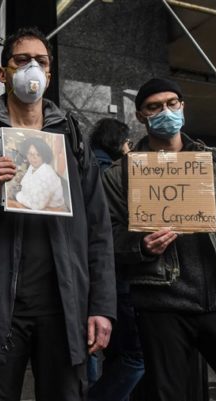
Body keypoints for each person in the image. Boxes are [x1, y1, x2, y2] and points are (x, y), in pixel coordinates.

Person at [0, 27, 116, 401]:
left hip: (65, 307)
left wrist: (101, 306)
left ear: (49, 75)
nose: (32, 67)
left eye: (41, 61)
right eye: (22, 60)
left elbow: (99, 229)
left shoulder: (73, 140)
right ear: (3, 74)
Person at [102, 77, 216, 401]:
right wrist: (141, 246)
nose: (165, 111)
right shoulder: (119, 174)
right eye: (154, 106)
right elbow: (106, 238)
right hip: (161, 306)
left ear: (183, 107)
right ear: (140, 116)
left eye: (171, 103)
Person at [88, 118, 144, 401]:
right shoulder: (109, 173)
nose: (129, 148)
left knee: (104, 353)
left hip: (88, 274)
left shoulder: (83, 166)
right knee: (134, 356)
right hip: (115, 275)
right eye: (127, 142)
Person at [14, 137, 67, 211]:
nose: (34, 158)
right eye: (30, 154)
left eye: (38, 154)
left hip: (50, 212)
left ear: (44, 155)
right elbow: (25, 184)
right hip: (30, 203)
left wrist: (16, 194)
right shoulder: (33, 167)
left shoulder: (47, 175)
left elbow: (36, 206)